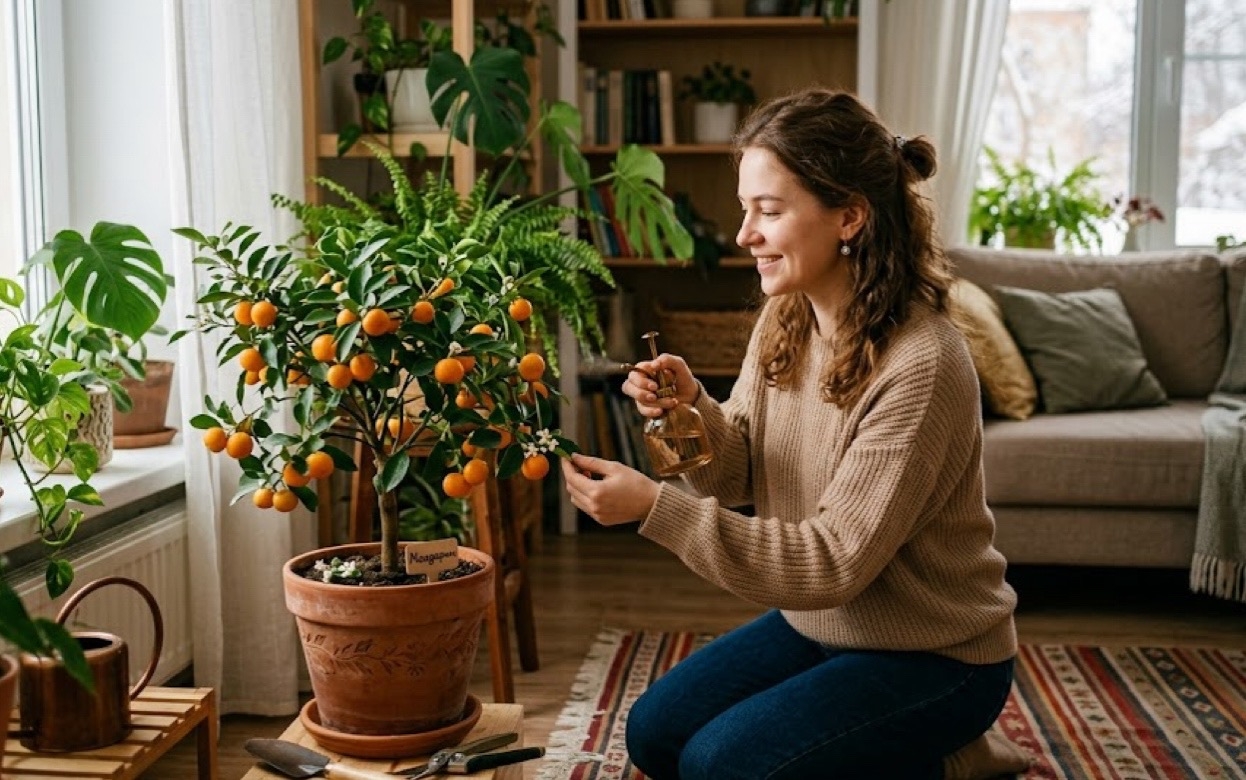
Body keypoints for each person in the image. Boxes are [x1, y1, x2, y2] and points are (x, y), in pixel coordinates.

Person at [560, 88, 1029, 779]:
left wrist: (655, 509)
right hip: (822, 627)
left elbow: (833, 562)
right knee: (655, 736)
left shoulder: (923, 362)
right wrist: (690, 412)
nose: (745, 233)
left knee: (719, 766)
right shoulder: (787, 318)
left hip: (938, 656)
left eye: (769, 211)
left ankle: (951, 757)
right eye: (747, 208)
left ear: (849, 216)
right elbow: (740, 473)